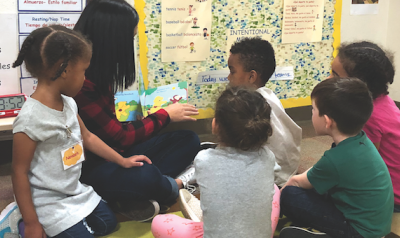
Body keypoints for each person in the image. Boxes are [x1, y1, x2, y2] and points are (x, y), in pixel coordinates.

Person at [73, 0, 200, 221]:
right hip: (92, 169)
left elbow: (114, 134)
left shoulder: (99, 72)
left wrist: (147, 120)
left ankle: (134, 198)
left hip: (117, 156)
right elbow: (120, 138)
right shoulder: (79, 82)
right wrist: (166, 114)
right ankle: (175, 186)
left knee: (188, 139)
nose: (130, 46)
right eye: (130, 39)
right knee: (145, 175)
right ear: (113, 42)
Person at [10, 25, 128, 237]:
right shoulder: (29, 120)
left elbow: (88, 137)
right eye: (84, 71)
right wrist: (31, 224)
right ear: (64, 70)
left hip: (74, 190)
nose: (85, 78)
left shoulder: (69, 103)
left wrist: (122, 160)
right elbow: (19, 172)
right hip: (46, 200)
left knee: (108, 223)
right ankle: (20, 221)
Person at [151, 87, 279, 238]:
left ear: (215, 125)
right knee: (275, 189)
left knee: (159, 222)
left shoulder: (204, 159)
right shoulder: (268, 157)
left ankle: (202, 218)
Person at [280, 77, 393, 238]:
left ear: (327, 121)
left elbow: (295, 182)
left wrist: (277, 199)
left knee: (290, 195)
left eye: (313, 109)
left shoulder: (336, 159)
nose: (311, 113)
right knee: (315, 187)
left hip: (357, 231)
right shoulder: (360, 140)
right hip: (374, 225)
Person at [331, 41, 400, 213]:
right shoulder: (382, 100)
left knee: (297, 195)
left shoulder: (367, 116)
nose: (329, 80)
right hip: (389, 188)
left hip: (389, 198)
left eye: (335, 75)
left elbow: (365, 168)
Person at [227, 37, 302, 187]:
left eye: (232, 71)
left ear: (251, 76)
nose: (228, 77)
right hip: (289, 170)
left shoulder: (246, 105)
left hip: (270, 177)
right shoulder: (269, 95)